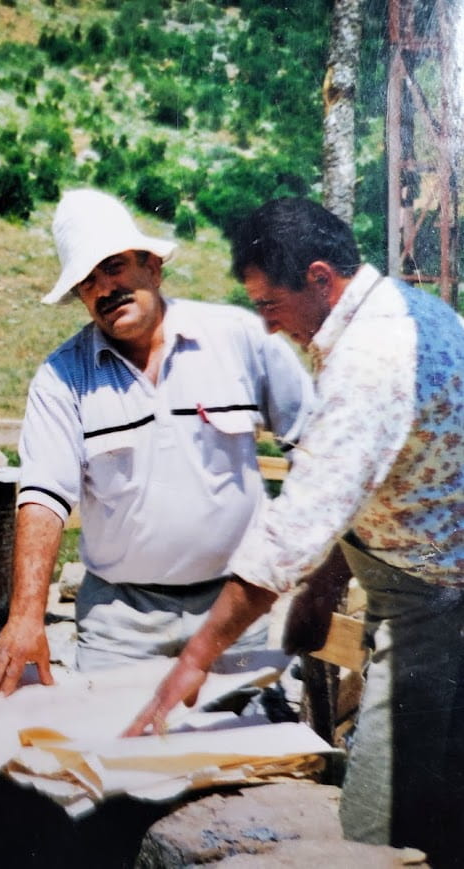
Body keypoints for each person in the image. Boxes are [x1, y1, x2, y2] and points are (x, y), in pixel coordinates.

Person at [126, 197, 464, 866]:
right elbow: (376, 478)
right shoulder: (402, 311)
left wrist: (194, 660)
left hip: (433, 608)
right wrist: (326, 584)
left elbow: (293, 526)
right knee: (437, 815)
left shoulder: (371, 358)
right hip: (425, 584)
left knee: (379, 830)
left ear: (318, 277)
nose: (266, 324)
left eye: (269, 304)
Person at [0, 188, 313, 695]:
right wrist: (26, 616)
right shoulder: (63, 377)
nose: (104, 289)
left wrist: (298, 564)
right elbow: (44, 496)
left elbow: (315, 447)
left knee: (241, 738)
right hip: (121, 624)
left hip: (233, 608)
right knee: (116, 741)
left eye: (114, 267)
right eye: (88, 282)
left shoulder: (239, 339)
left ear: (152, 267)